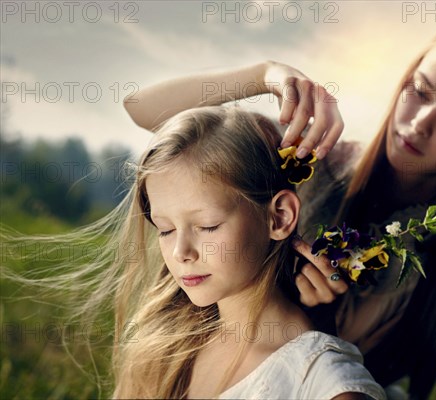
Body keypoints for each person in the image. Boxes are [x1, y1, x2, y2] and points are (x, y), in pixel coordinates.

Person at [123, 20, 436, 398]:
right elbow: (142, 108)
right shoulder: (314, 157)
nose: (419, 122)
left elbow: (333, 376)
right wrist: (266, 74)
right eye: (418, 91)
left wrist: (320, 319)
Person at [2, 106, 386, 399]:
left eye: (207, 226)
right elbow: (138, 103)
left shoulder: (323, 381)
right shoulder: (167, 346)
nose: (181, 252)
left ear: (279, 217)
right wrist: (263, 72)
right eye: (165, 229)